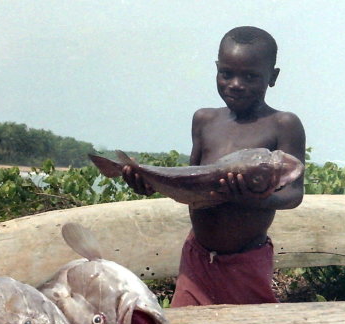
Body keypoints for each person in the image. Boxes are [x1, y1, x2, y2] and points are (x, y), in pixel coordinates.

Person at [123, 26, 306, 307]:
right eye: (226, 73)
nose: (235, 83)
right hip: (197, 257)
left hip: (248, 262)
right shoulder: (204, 120)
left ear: (273, 77)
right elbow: (189, 183)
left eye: (250, 76)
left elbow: (294, 194)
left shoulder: (283, 124)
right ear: (217, 69)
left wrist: (254, 199)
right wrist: (150, 183)